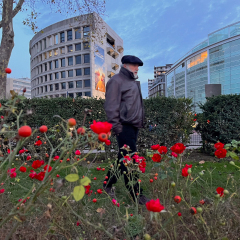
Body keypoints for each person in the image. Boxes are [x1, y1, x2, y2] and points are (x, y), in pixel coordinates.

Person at [103, 55, 149, 205]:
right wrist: (117, 127)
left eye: (138, 66)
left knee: (122, 158)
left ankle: (107, 184)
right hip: (124, 126)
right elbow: (111, 106)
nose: (137, 68)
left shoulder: (132, 82)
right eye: (134, 65)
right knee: (130, 160)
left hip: (133, 125)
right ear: (125, 65)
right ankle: (137, 194)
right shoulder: (116, 81)